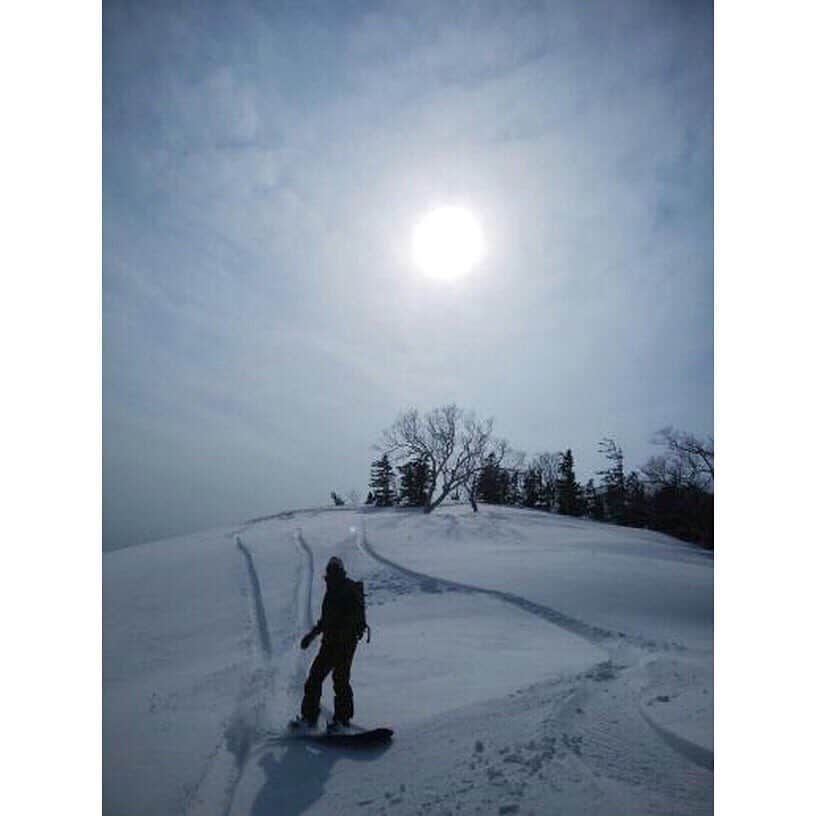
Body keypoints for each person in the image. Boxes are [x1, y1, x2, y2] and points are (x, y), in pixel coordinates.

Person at [296, 556, 365, 731]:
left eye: (335, 570)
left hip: (345, 644)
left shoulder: (348, 589)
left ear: (340, 571)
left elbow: (353, 617)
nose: (332, 574)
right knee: (314, 679)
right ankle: (309, 718)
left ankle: (342, 721)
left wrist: (342, 634)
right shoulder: (331, 590)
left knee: (340, 680)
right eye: (330, 570)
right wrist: (311, 635)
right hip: (330, 644)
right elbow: (326, 620)